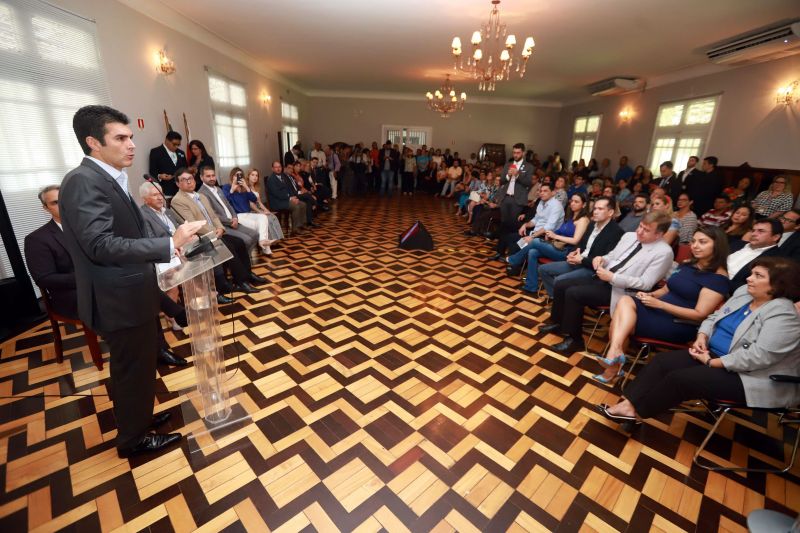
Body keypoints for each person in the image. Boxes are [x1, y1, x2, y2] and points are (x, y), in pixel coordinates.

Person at [59, 106, 204, 458]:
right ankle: (132, 441)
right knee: (130, 371)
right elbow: (100, 244)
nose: (131, 145)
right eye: (121, 138)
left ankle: (140, 420)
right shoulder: (83, 181)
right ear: (93, 142)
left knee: (140, 366)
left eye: (131, 137)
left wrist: (167, 255)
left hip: (132, 294)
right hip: (117, 301)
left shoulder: (108, 178)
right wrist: (170, 243)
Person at [599, 257, 800, 425]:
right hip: (711, 354)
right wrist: (702, 336)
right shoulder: (743, 294)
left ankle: (636, 412)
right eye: (751, 273)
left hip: (749, 376)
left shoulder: (783, 314)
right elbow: (712, 318)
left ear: (777, 285)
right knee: (661, 362)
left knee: (681, 379)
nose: (748, 279)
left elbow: (759, 357)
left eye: (758, 276)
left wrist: (712, 362)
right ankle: (628, 406)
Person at [593, 226, 730, 383]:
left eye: (702, 242)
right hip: (657, 309)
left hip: (679, 323)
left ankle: (613, 363)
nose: (695, 246)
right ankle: (615, 353)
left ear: (717, 246)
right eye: (693, 241)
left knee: (622, 318)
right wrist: (650, 295)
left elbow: (700, 314)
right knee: (624, 301)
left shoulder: (718, 279)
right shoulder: (688, 264)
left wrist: (660, 305)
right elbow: (666, 288)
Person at [539, 212, 675, 353]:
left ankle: (575, 340)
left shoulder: (664, 253)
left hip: (623, 291)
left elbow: (645, 283)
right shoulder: (629, 236)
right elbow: (612, 256)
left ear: (659, 235)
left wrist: (612, 277)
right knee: (562, 284)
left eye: (646, 230)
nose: (639, 232)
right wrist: (602, 259)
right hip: (603, 278)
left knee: (574, 293)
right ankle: (557, 322)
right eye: (640, 226)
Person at [139, 181, 234, 306]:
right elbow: (150, 240)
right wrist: (175, 244)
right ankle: (202, 294)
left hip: (182, 248)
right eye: (154, 195)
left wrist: (189, 236)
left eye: (161, 194)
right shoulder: (143, 215)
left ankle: (212, 289)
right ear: (145, 199)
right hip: (166, 254)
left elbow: (178, 227)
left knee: (208, 248)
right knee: (183, 271)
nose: (159, 197)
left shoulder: (167, 210)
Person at [170, 168, 265, 294]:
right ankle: (241, 282)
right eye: (184, 180)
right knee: (230, 246)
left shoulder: (201, 196)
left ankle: (247, 275)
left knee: (239, 242)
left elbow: (213, 216)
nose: (189, 182)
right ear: (177, 184)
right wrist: (215, 231)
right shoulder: (178, 200)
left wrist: (221, 228)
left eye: (190, 179)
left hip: (216, 232)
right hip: (202, 237)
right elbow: (193, 224)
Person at [539, 197, 624, 297]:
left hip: (592, 270)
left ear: (610, 212)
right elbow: (581, 243)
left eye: (600, 209)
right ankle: (557, 298)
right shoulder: (592, 224)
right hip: (578, 261)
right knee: (543, 269)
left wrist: (581, 260)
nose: (595, 212)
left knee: (559, 280)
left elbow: (604, 262)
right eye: (595, 208)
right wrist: (573, 252)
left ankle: (562, 301)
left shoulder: (616, 232)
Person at [510, 193, 591, 294]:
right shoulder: (571, 217)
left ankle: (514, 260)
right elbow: (561, 231)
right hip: (557, 246)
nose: (572, 204)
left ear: (584, 205)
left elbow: (576, 240)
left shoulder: (583, 220)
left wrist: (555, 236)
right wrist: (551, 234)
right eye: (572, 201)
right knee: (533, 252)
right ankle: (531, 286)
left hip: (567, 252)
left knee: (535, 241)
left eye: (576, 202)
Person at [492, 182, 562, 261]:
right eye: (541, 191)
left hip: (545, 237)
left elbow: (549, 227)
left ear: (553, 193)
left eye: (545, 191)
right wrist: (525, 225)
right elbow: (535, 220)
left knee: (517, 244)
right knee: (509, 237)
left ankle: (514, 266)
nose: (542, 193)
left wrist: (532, 237)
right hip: (535, 232)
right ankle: (502, 255)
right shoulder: (542, 202)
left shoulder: (556, 206)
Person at [195, 166, 259, 251]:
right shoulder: (201, 194)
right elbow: (212, 214)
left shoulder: (218, 189)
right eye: (208, 176)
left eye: (213, 175)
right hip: (223, 225)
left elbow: (228, 205)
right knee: (247, 239)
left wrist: (235, 217)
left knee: (255, 234)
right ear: (201, 177)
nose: (211, 178)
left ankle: (245, 258)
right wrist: (230, 221)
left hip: (233, 220)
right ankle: (243, 260)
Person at [222, 167, 279, 255]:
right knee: (259, 225)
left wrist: (246, 187)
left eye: (240, 175)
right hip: (237, 216)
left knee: (263, 217)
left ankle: (263, 241)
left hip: (248, 213)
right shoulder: (227, 187)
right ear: (232, 176)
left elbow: (254, 199)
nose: (239, 177)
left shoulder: (244, 188)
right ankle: (265, 247)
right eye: (237, 175)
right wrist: (232, 189)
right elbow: (225, 202)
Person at [727, 218, 783, 290]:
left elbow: (750, 287)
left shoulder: (776, 260)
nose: (753, 234)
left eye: (761, 231)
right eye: (753, 231)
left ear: (775, 237)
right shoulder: (737, 244)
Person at [496, 143, 534, 233]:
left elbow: (528, 183)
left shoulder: (529, 166)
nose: (515, 155)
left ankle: (510, 244)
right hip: (505, 197)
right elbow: (501, 181)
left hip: (517, 199)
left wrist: (517, 175)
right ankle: (501, 245)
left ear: (523, 153)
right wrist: (508, 176)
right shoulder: (508, 164)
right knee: (504, 222)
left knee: (513, 223)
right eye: (514, 152)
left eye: (518, 153)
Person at [246, 167, 287, 240]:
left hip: (258, 208)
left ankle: (278, 238)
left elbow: (259, 202)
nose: (255, 177)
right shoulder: (246, 187)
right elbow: (251, 204)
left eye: (256, 175)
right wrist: (261, 212)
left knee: (273, 216)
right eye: (252, 175)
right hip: (251, 210)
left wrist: (267, 211)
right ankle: (270, 240)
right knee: (267, 218)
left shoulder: (256, 187)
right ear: (248, 176)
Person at [267, 160, 307, 233]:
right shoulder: (271, 179)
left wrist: (293, 197)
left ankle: (301, 225)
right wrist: (290, 198)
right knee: (296, 206)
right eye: (276, 167)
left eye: (279, 167)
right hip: (277, 202)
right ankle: (295, 228)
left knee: (303, 204)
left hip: (286, 199)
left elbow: (289, 188)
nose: (278, 169)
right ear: (272, 169)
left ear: (282, 168)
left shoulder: (283, 176)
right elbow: (277, 193)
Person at [148, 131, 187, 197]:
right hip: (166, 190)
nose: (176, 147)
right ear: (167, 140)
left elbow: (185, 168)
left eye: (178, 145)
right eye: (174, 144)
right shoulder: (156, 152)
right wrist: (160, 176)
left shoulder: (181, 153)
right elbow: (152, 170)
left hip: (182, 189)